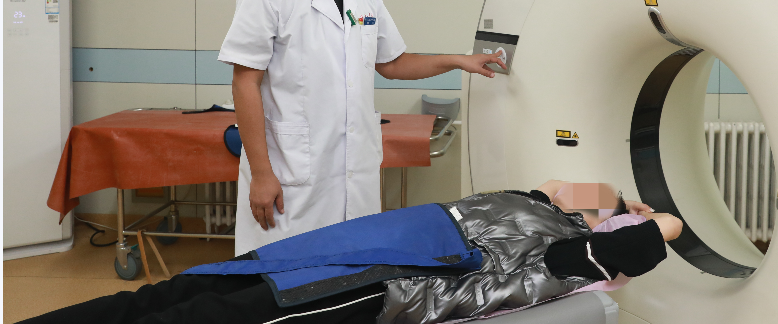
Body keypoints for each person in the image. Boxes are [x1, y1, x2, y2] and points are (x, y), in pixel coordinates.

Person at [221, 0, 507, 254]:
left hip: (353, 169)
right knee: (289, 270)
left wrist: (458, 61)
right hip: (291, 170)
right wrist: (261, 173)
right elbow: (245, 82)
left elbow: (393, 63)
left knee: (353, 269)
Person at [20, 182, 683, 324]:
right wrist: (613, 200)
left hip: (391, 280)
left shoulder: (571, 260)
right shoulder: (538, 201)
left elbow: (658, 235)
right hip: (354, 247)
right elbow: (572, 187)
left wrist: (652, 220)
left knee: (198, 314)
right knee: (180, 291)